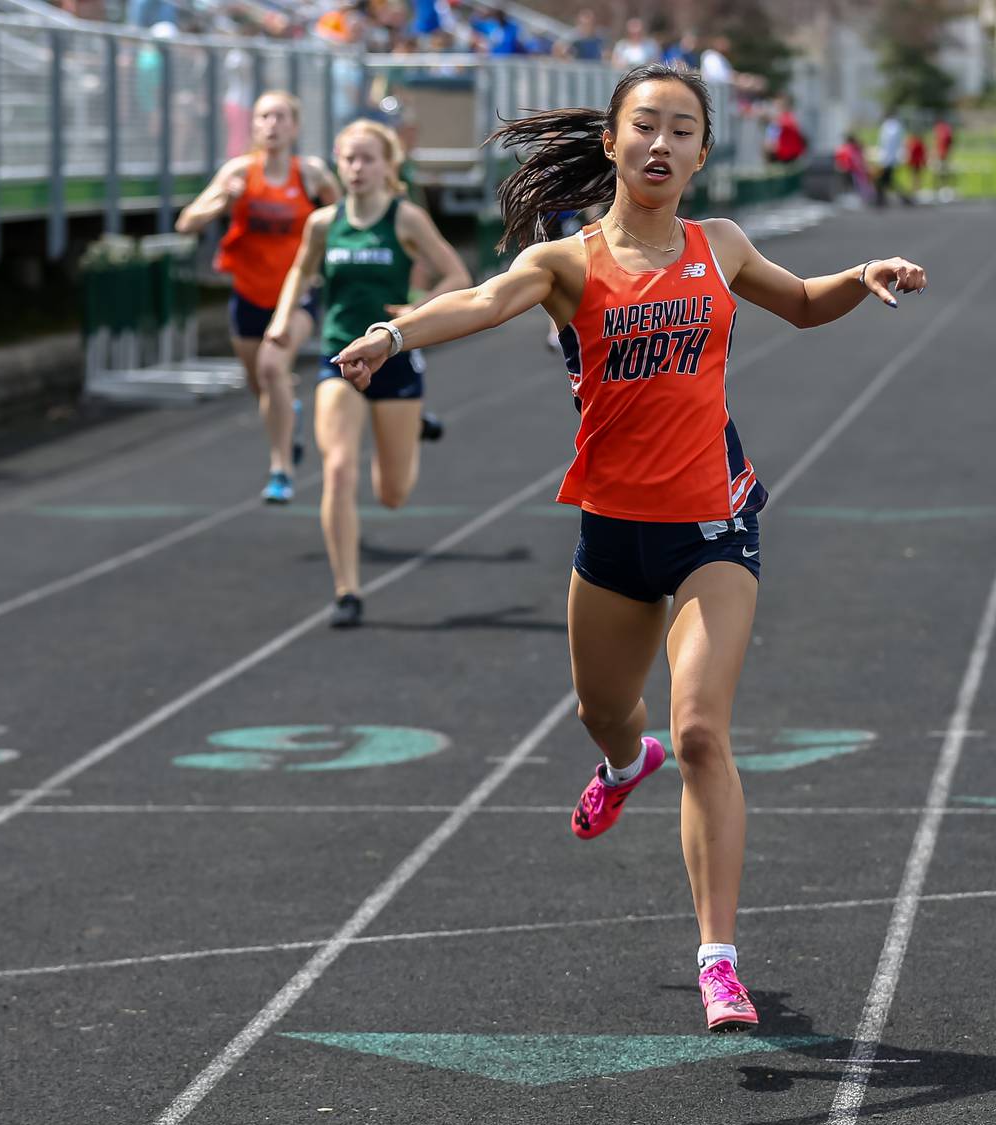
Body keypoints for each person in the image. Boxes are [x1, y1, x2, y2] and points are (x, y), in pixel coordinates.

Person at [330, 64, 925, 1029]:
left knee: (700, 731)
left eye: (681, 129)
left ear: (700, 151)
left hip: (713, 527)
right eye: (643, 125)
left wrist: (862, 276)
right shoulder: (567, 262)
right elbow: (480, 301)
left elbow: (806, 302)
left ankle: (718, 959)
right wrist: (394, 333)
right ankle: (619, 766)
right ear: (610, 144)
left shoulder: (720, 246)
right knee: (605, 713)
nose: (661, 143)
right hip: (612, 531)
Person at [266, 119, 471, 627]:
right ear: (338, 162)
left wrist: (415, 309)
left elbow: (458, 276)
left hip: (395, 360)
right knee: (336, 468)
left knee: (392, 494)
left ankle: (414, 424)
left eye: (367, 159)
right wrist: (281, 319)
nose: (356, 168)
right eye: (349, 158)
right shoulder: (322, 223)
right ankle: (347, 590)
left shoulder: (406, 219)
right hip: (340, 356)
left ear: (388, 166)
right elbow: (300, 269)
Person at [176, 91, 340, 504]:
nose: (272, 124)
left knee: (271, 368)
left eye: (280, 116)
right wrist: (222, 200)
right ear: (253, 126)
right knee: (263, 384)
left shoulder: (312, 175)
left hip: (297, 295)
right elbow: (186, 223)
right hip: (249, 294)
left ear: (294, 126)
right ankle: (290, 412)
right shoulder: (238, 172)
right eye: (264, 116)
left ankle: (281, 468)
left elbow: (345, 216)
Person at [763, 93, 807, 166]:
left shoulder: (788, 118)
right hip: (780, 154)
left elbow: (788, 125)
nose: (776, 108)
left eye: (778, 105)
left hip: (789, 154)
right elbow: (771, 136)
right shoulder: (777, 120)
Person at [876, 107, 904, 206]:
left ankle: (881, 198)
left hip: (887, 159)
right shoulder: (895, 126)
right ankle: (883, 198)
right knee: (886, 180)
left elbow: (885, 143)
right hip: (889, 158)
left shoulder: (888, 127)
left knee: (884, 180)